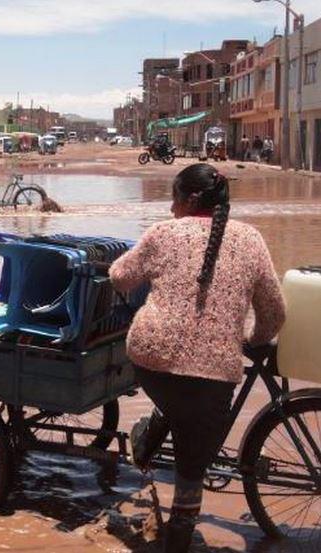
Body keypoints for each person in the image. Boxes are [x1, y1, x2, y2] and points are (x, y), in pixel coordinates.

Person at [109, 163, 286, 552]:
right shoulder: (251, 239)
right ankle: (178, 539)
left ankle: (150, 435)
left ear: (189, 200)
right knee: (191, 467)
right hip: (214, 371)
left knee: (177, 403)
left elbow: (119, 276)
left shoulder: (163, 233)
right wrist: (253, 340)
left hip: (152, 359)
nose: (171, 208)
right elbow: (275, 312)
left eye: (174, 198)